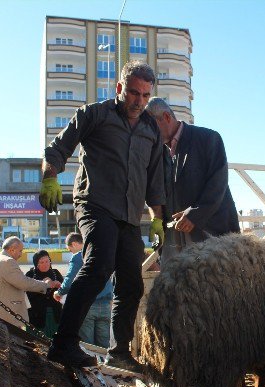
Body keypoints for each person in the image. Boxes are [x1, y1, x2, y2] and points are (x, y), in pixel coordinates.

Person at [40, 61, 165, 369]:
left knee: (132, 284)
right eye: (134, 93)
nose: (139, 101)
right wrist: (49, 177)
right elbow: (58, 149)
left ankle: (120, 352)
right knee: (98, 265)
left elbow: (154, 179)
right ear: (120, 88)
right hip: (95, 204)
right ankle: (63, 343)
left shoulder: (151, 129)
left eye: (145, 96)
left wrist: (158, 217)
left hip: (130, 215)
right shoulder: (93, 115)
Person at [145, 97, 240, 263]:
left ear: (166, 117)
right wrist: (156, 222)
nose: (150, 134)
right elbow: (154, 189)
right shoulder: (156, 151)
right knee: (173, 285)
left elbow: (218, 183)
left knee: (213, 285)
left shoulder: (208, 138)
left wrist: (194, 214)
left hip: (210, 236)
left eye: (152, 127)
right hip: (173, 241)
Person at [0, 237, 60, 329]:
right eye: (20, 251)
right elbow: (23, 282)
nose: (21, 254)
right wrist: (46, 284)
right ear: (12, 249)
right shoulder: (7, 261)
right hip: (4, 313)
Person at [54, 232, 113, 348]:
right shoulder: (102, 253)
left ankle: (92, 365)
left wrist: (59, 292)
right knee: (104, 345)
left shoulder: (78, 257)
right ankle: (105, 365)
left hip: (88, 305)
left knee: (88, 345)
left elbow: (69, 279)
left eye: (70, 249)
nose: (71, 252)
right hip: (106, 305)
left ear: (75, 244)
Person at [25, 250, 64, 338]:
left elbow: (64, 291)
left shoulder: (55, 273)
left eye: (47, 261)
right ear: (36, 264)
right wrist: (43, 284)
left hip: (55, 313)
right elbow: (27, 294)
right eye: (42, 262)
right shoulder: (30, 274)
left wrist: (59, 285)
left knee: (55, 339)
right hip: (36, 315)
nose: (46, 264)